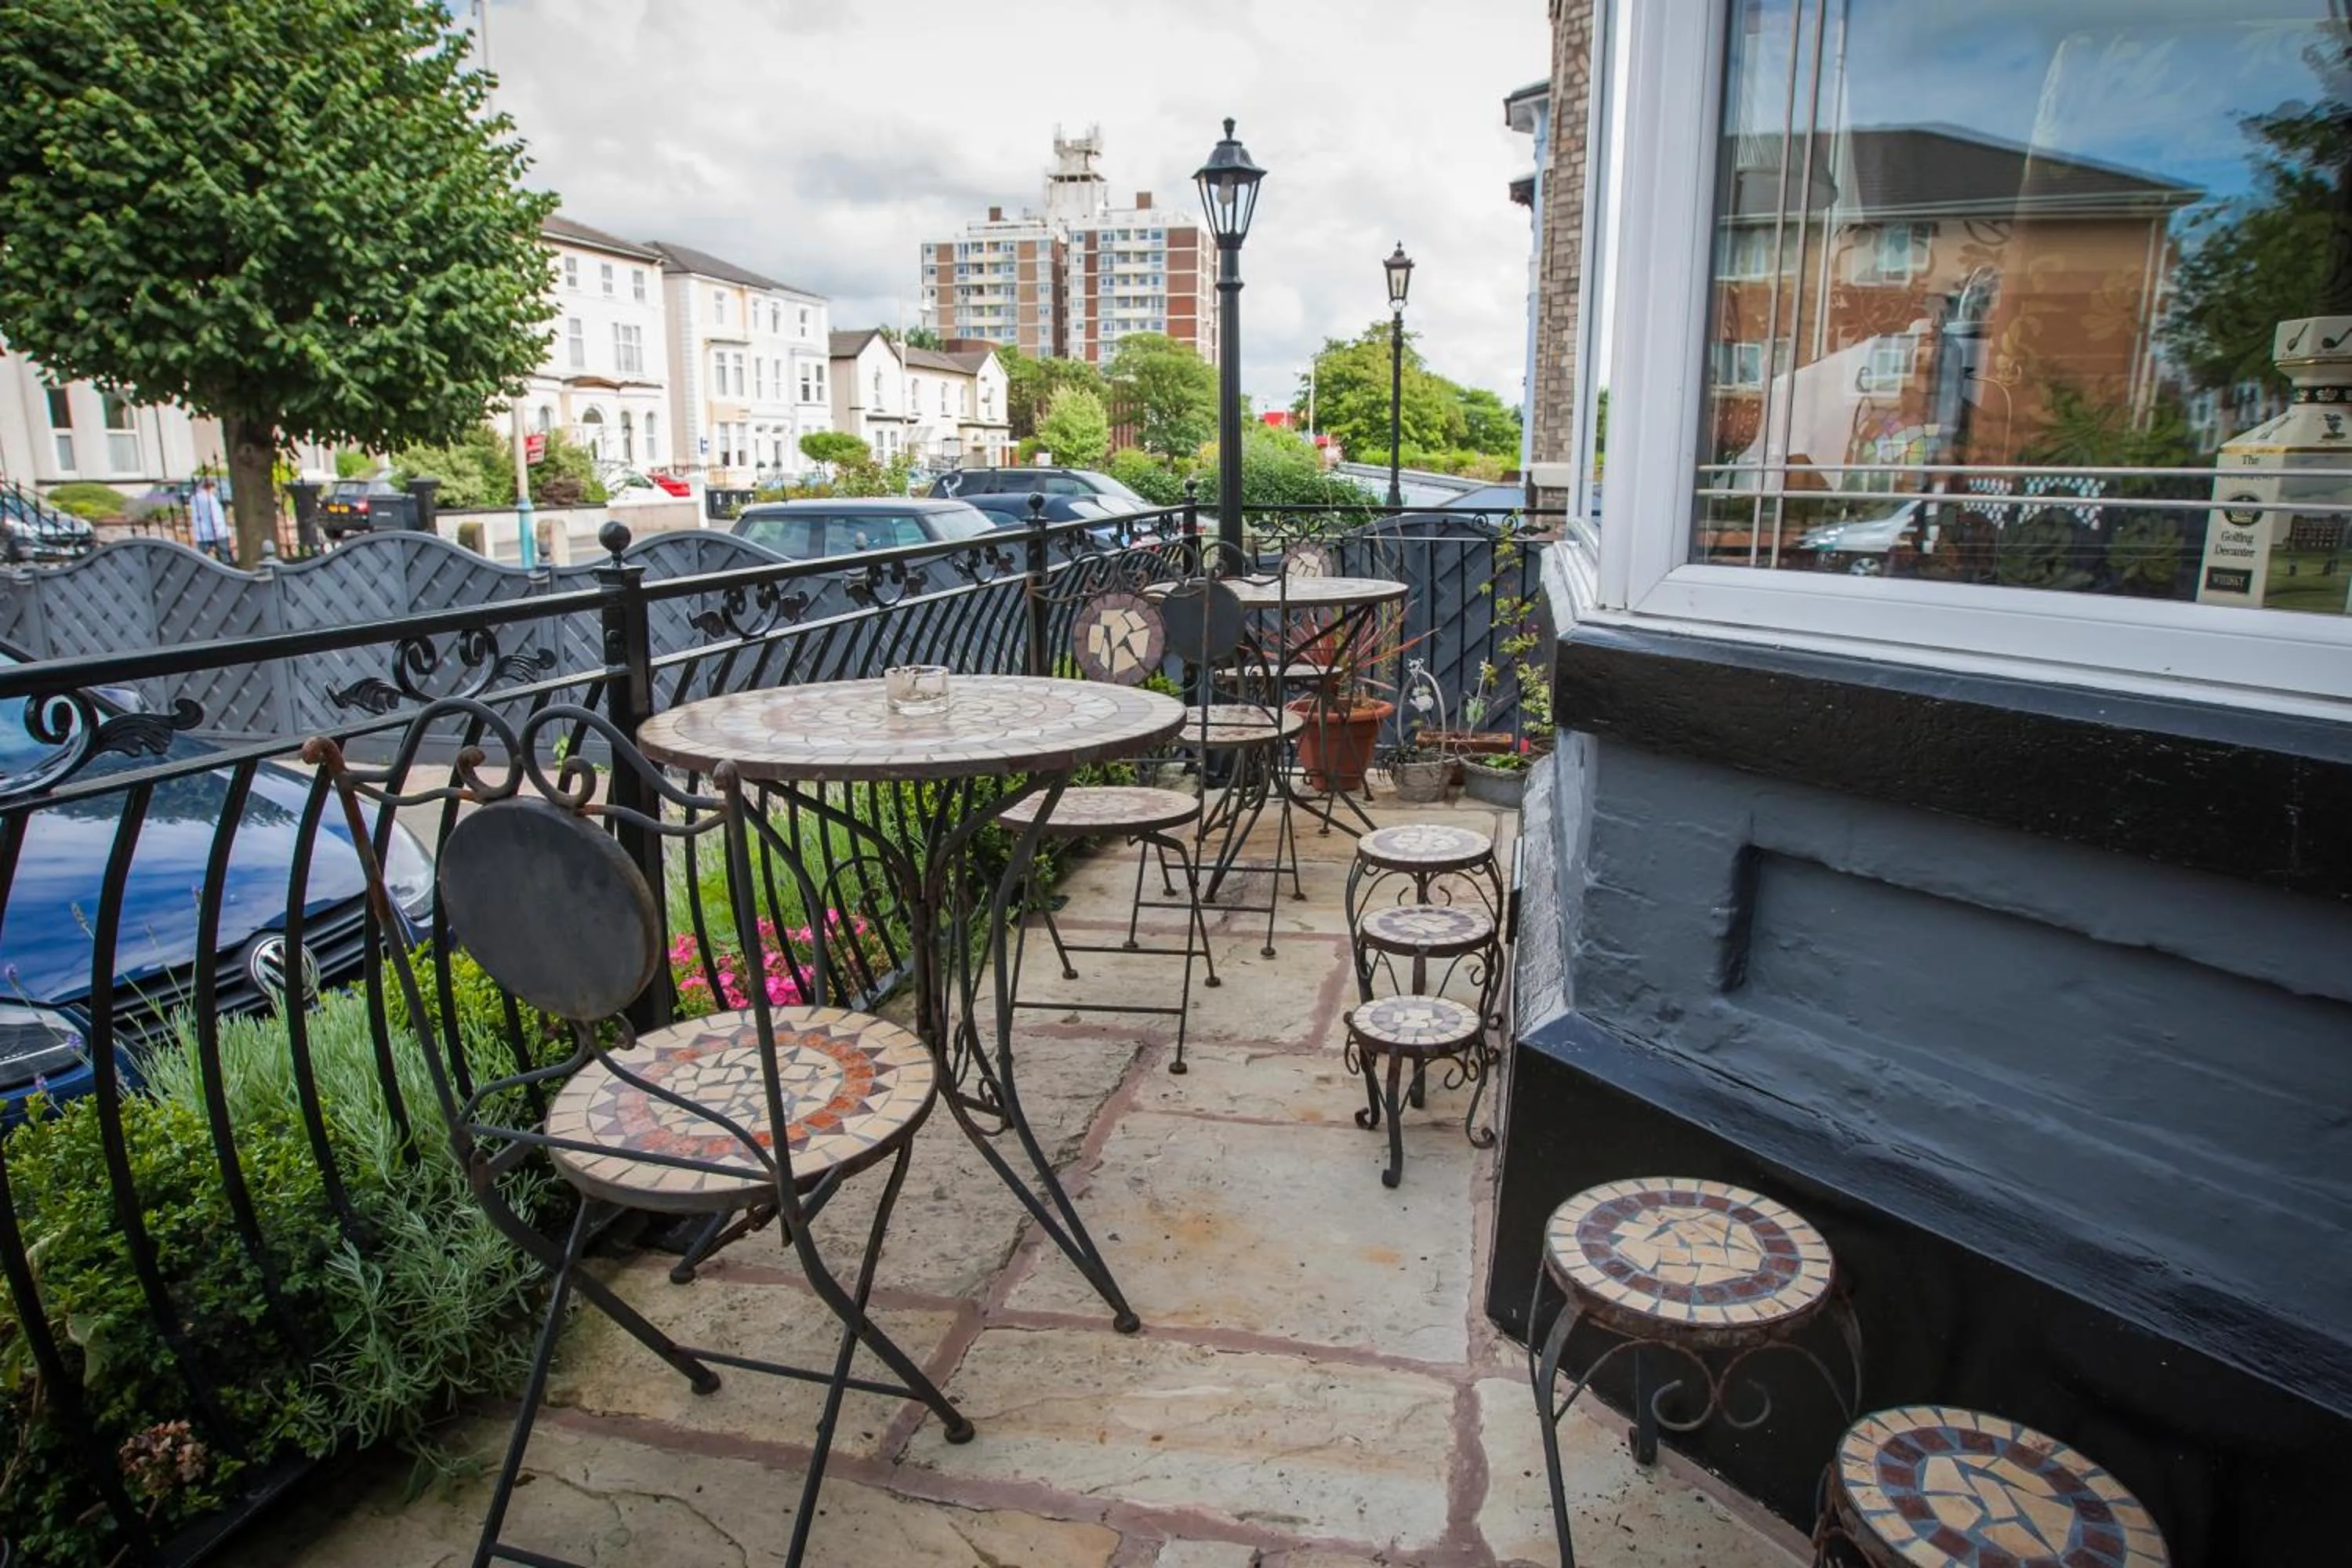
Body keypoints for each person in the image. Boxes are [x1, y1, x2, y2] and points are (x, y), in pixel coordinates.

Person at [189, 477, 232, 564]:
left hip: (202, 533)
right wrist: (222, 532)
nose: (216, 491)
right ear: (211, 487)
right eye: (215, 488)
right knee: (225, 559)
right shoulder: (211, 499)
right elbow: (216, 517)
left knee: (201, 560)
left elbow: (195, 516)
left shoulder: (194, 499)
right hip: (218, 533)